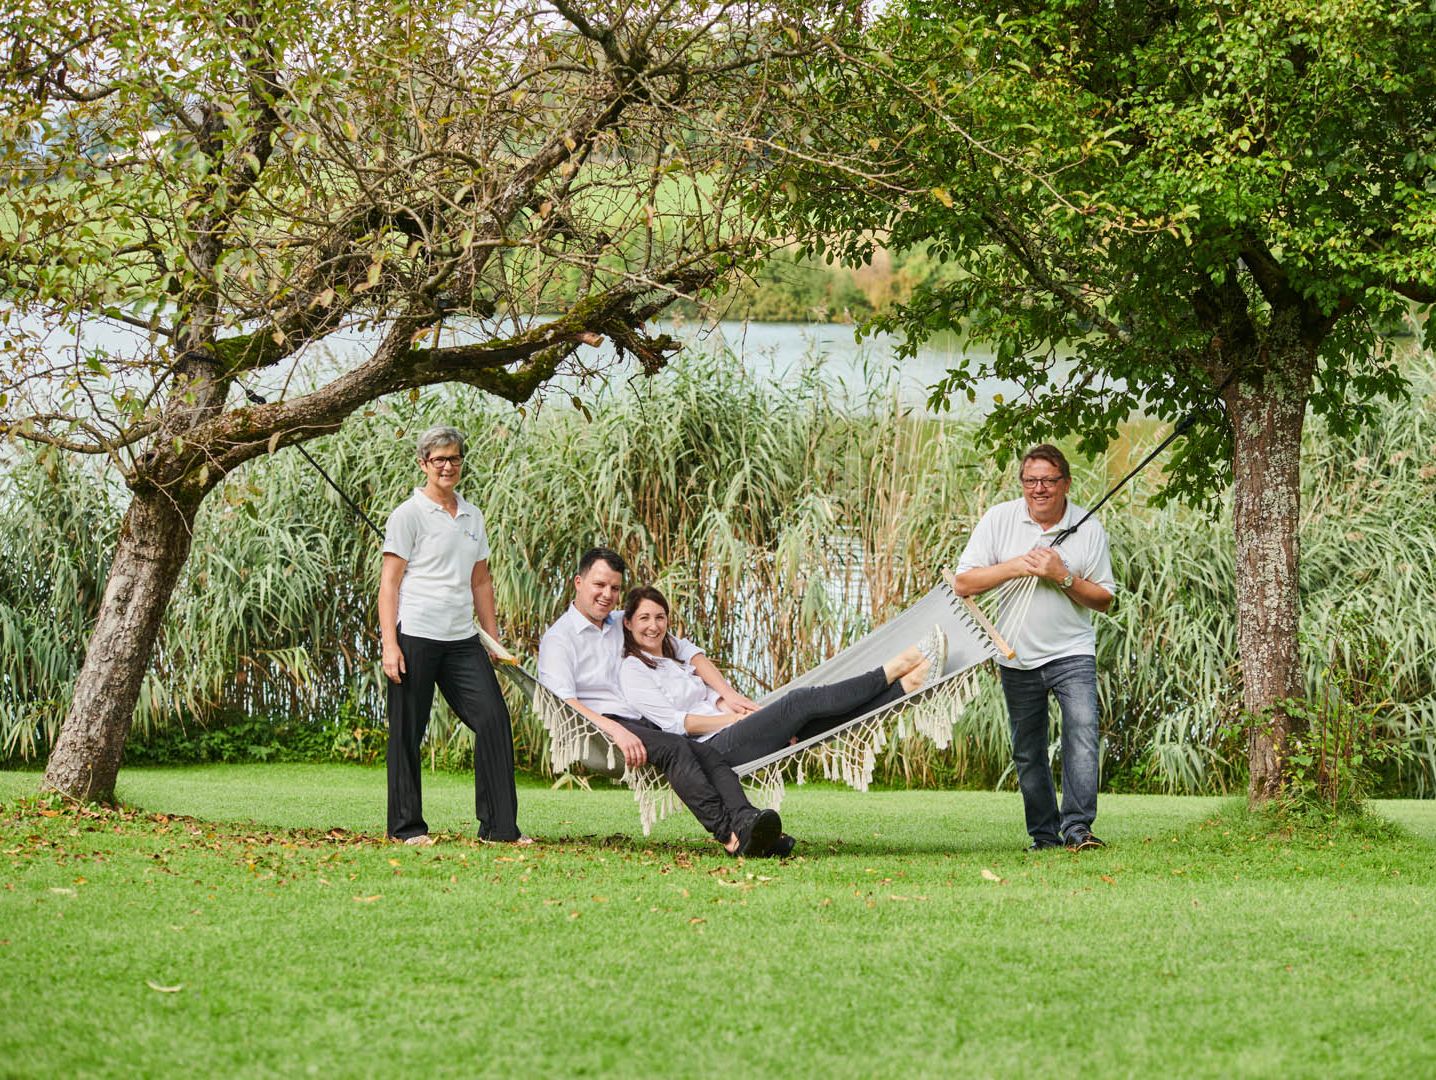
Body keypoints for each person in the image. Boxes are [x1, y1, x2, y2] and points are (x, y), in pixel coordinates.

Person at [536, 548, 784, 858]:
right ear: (578, 582)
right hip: (601, 728)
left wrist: (728, 694)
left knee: (708, 754)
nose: (607, 594)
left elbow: (686, 650)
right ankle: (730, 837)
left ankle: (748, 822)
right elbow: (564, 703)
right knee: (676, 749)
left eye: (615, 588)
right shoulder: (559, 639)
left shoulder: (622, 622)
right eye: (599, 585)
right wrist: (617, 731)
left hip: (645, 721)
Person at [949, 444, 1116, 852]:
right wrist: (1017, 566)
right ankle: (1044, 836)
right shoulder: (999, 519)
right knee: (1028, 751)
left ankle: (1077, 830)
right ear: (1022, 483)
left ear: (1066, 484)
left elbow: (1104, 599)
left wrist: (1062, 576)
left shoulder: (1088, 528)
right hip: (1017, 656)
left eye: (1048, 480)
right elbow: (963, 583)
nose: (1039, 488)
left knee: (1082, 737)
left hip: (1072, 652)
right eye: (1030, 480)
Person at [379, 425, 527, 847]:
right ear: (424, 463)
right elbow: (389, 583)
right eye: (439, 459)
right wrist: (390, 644)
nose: (448, 466)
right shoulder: (408, 514)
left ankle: (500, 829)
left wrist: (493, 640)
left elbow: (481, 581)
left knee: (493, 720)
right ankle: (406, 828)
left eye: (454, 458)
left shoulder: (472, 515)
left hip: (462, 640)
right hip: (417, 635)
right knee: (407, 732)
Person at [617, 586, 947, 767]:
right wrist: (734, 720)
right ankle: (897, 666)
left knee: (816, 724)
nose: (653, 626)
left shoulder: (670, 652)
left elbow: (694, 656)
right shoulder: (633, 669)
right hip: (712, 747)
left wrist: (728, 699)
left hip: (731, 726)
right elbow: (677, 724)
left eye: (660, 617)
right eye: (644, 618)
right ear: (628, 623)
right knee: (799, 701)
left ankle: (908, 685)